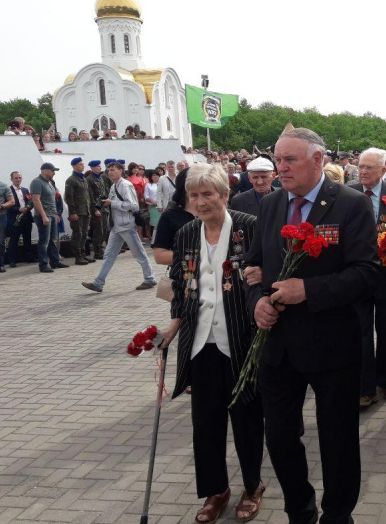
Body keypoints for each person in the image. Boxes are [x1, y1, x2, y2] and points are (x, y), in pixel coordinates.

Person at [244, 127, 379, 524]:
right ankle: (299, 511)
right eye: (277, 159)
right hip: (278, 346)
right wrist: (257, 305)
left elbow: (368, 273)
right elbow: (252, 267)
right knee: (281, 438)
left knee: (337, 440)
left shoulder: (350, 204)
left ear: (318, 160)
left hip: (332, 345)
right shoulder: (270, 205)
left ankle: (337, 515)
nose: (279, 168)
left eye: (290, 160)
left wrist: (310, 290)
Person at [159, 163, 266, 523]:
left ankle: (253, 486)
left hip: (241, 339)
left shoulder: (249, 228)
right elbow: (179, 283)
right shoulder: (187, 233)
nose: (201, 201)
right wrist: (172, 326)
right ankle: (215, 489)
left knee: (247, 417)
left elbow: (268, 276)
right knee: (205, 421)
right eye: (194, 195)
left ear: (224, 195)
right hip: (199, 341)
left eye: (208, 194)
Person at [349, 147, 386, 407]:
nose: (363, 171)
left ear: (384, 170)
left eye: (369, 168)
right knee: (359, 332)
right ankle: (364, 388)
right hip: (357, 277)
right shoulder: (347, 194)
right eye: (361, 166)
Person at [81, 161, 156, 293]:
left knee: (139, 253)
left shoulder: (125, 185)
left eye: (113, 170)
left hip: (126, 225)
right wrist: (107, 204)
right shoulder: (114, 186)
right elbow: (116, 205)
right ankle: (98, 282)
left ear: (121, 171)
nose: (110, 172)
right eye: (108, 170)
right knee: (109, 255)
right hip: (117, 226)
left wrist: (112, 203)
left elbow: (132, 205)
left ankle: (149, 278)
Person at [30, 163, 69, 273]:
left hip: (52, 215)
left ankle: (55, 261)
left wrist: (56, 214)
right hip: (43, 216)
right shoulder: (37, 182)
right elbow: (36, 200)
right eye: (52, 171)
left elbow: (53, 201)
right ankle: (43, 264)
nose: (54, 173)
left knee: (53, 240)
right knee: (44, 241)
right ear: (45, 170)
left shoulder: (49, 183)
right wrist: (43, 216)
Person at [152, 168, 195, 266]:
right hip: (185, 275)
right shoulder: (169, 216)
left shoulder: (216, 214)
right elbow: (159, 256)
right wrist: (199, 258)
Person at [64, 157, 94, 266]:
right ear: (74, 166)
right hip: (77, 212)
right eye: (80, 164)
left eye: (82, 164)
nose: (83, 166)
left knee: (84, 233)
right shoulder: (71, 180)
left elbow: (87, 196)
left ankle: (83, 254)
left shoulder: (83, 179)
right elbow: (69, 197)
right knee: (78, 234)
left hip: (85, 211)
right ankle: (78, 256)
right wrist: (72, 212)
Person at [6, 171, 36, 267]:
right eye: (16, 178)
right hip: (15, 219)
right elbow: (7, 206)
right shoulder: (8, 191)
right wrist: (18, 209)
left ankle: (29, 257)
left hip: (26, 218)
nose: (18, 180)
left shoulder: (25, 190)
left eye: (20, 178)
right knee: (14, 239)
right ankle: (12, 260)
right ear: (11, 179)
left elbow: (30, 202)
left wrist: (28, 207)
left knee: (27, 238)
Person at [86, 160, 107, 260]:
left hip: (103, 207)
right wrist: (94, 209)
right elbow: (90, 197)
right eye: (98, 166)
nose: (100, 168)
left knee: (104, 230)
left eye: (100, 166)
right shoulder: (89, 179)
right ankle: (97, 252)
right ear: (93, 168)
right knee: (98, 231)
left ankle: (101, 249)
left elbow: (103, 193)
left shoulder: (100, 178)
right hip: (96, 209)